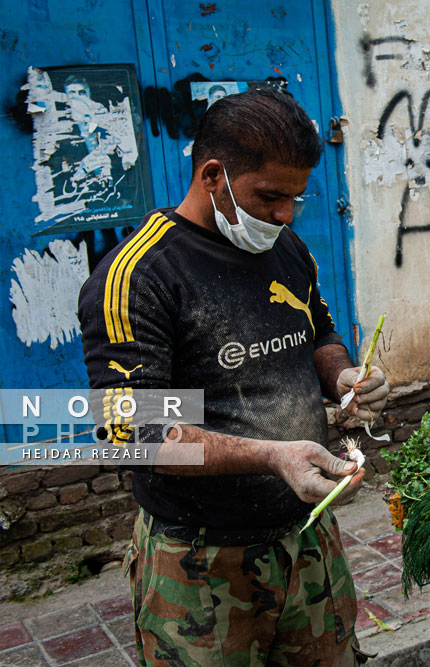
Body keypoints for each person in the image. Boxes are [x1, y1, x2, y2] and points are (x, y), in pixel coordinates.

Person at [77, 87, 389, 666]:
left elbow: (317, 332)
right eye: (270, 196)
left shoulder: (287, 249)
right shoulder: (138, 275)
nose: (285, 215)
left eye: (295, 198)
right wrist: (273, 456)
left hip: (307, 542)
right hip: (199, 563)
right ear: (214, 175)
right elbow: (135, 432)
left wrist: (344, 375)